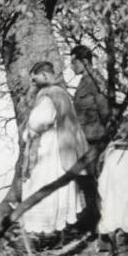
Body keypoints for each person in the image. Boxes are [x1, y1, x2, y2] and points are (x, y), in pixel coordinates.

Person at [21, 61, 88, 239]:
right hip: (63, 146)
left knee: (43, 185)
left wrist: (27, 133)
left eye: (35, 79)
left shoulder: (49, 94)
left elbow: (38, 122)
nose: (33, 83)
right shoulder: (62, 93)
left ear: (44, 76)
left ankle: (46, 232)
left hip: (51, 148)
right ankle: (58, 230)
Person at [71, 45, 110, 234]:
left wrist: (106, 136)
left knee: (98, 183)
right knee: (86, 182)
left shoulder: (95, 81)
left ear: (84, 61)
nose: (71, 66)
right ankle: (92, 220)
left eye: (74, 62)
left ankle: (103, 225)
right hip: (84, 140)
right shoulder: (82, 83)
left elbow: (105, 110)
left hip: (96, 139)